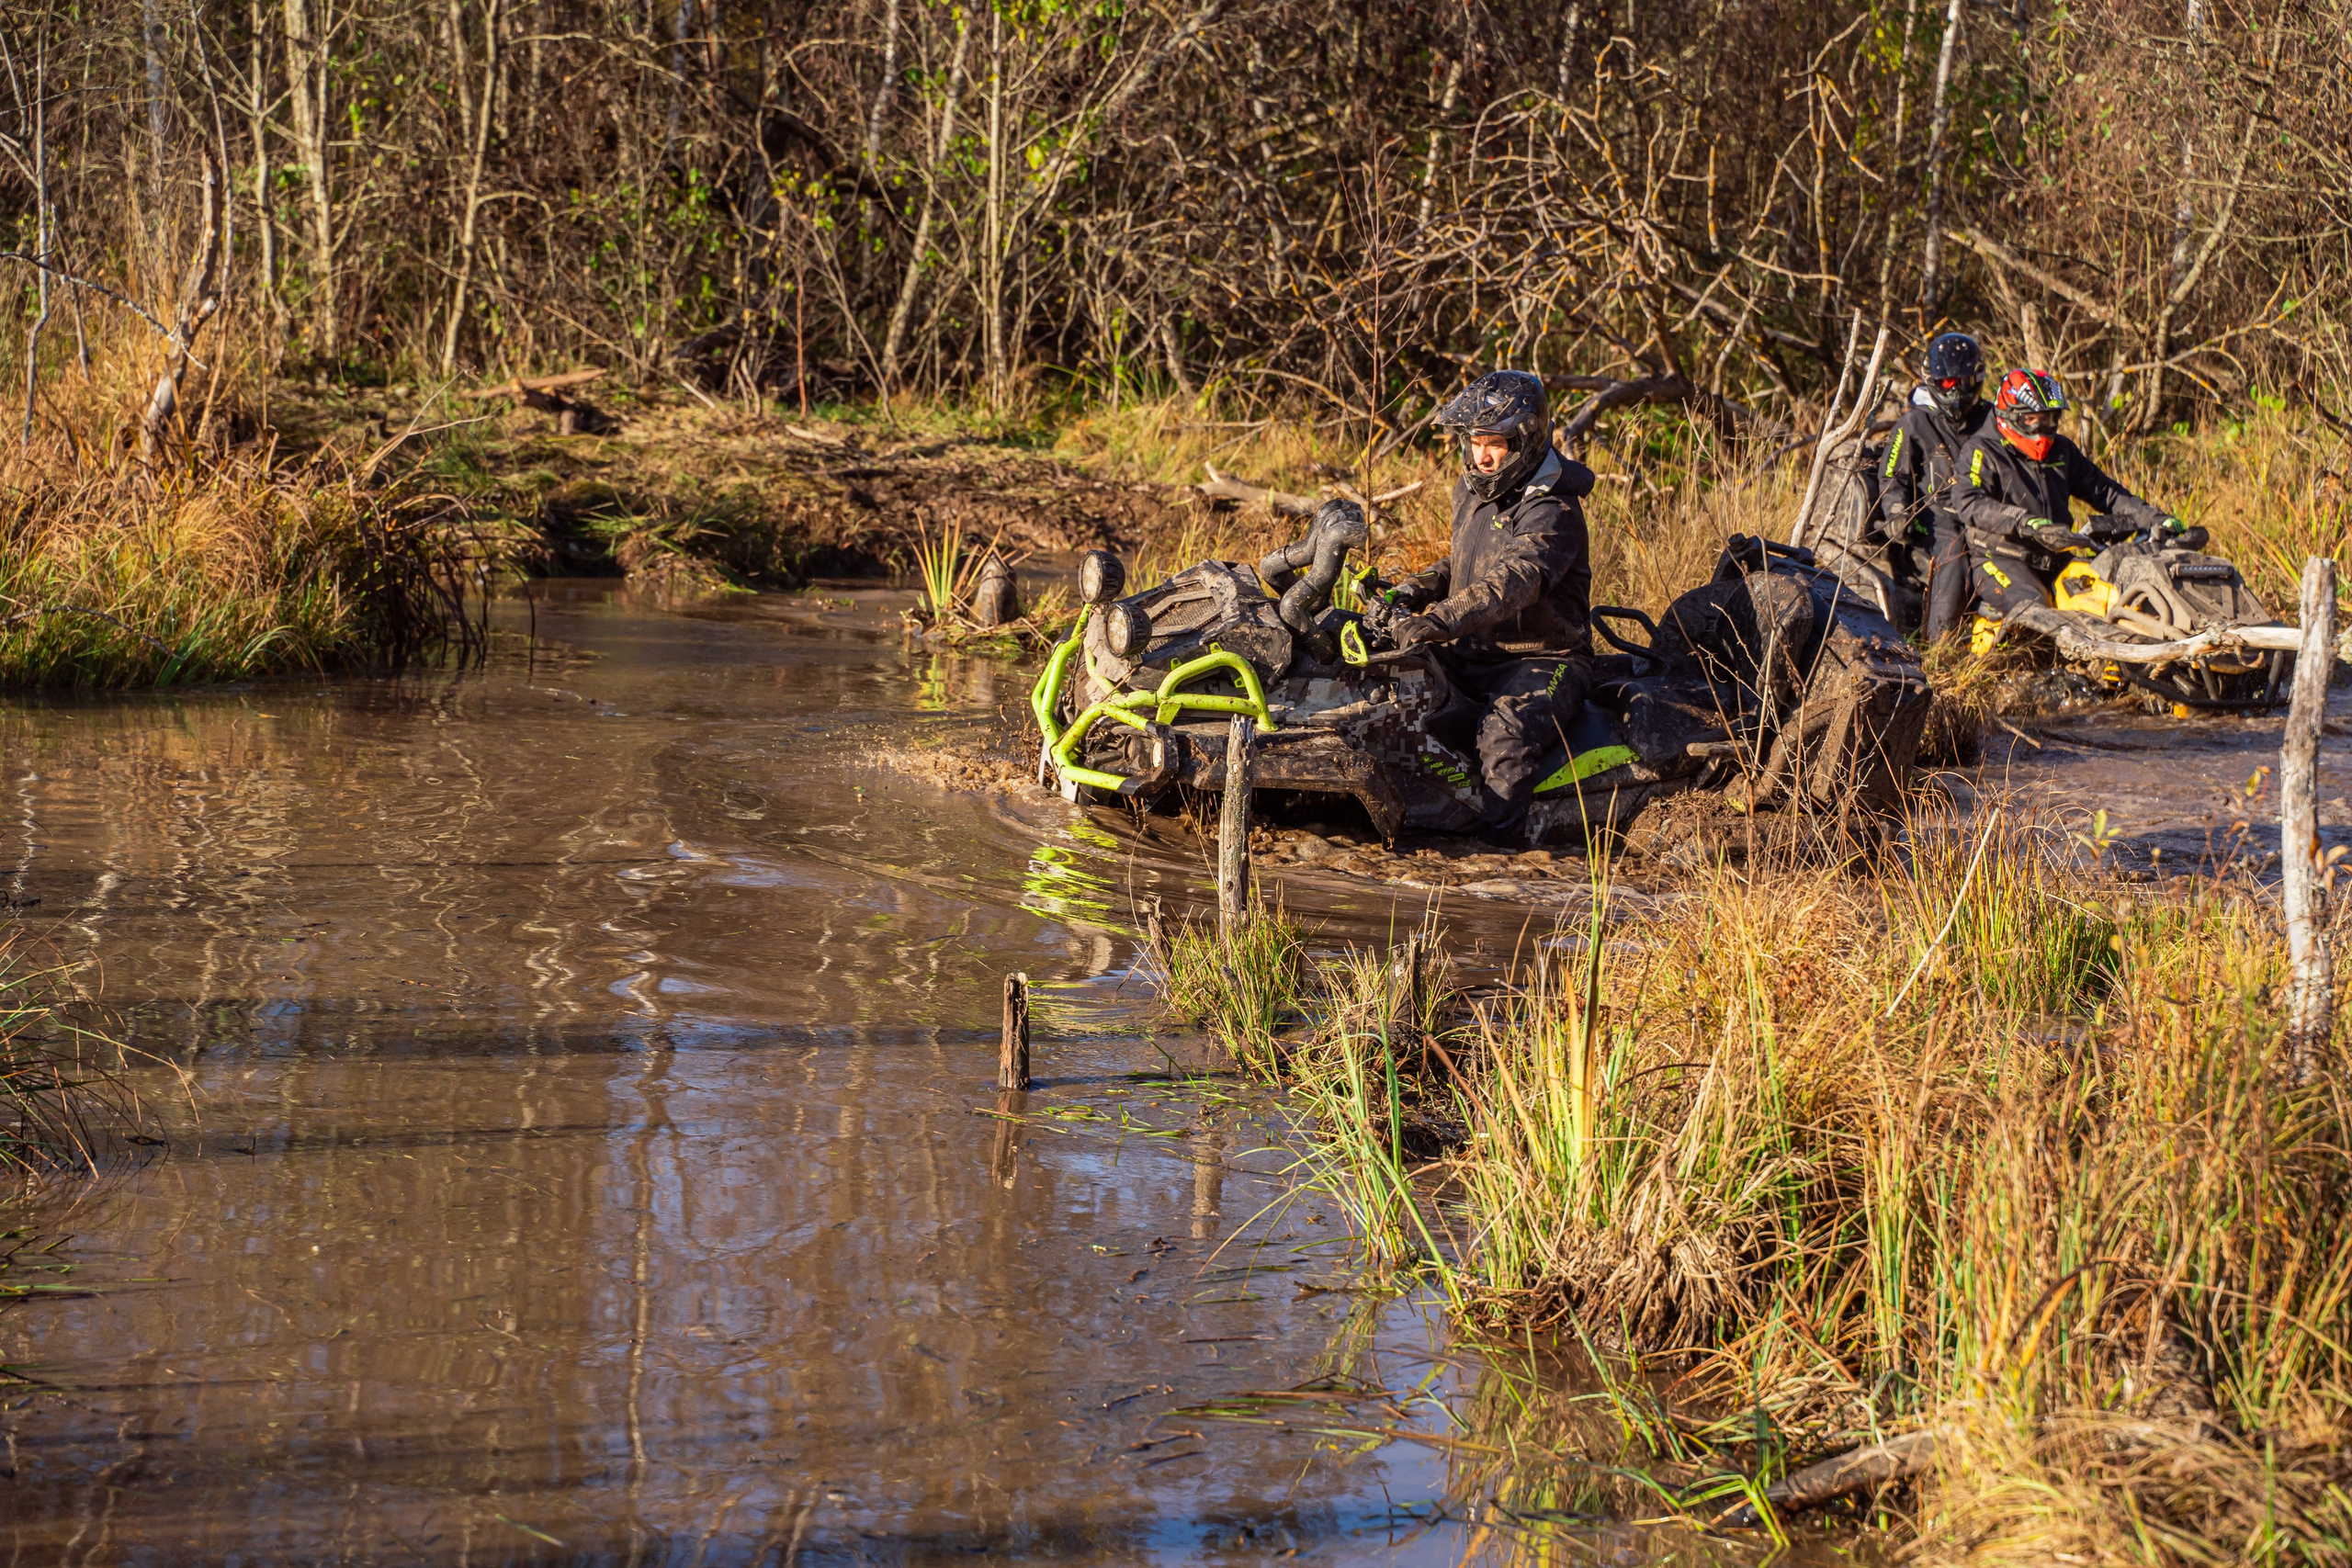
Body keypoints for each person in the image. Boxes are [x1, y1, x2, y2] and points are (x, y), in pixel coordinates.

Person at [1379, 369, 1597, 833]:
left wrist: (1441, 617)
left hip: (1544, 659)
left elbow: (1515, 579)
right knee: (1384, 686)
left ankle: (1498, 857)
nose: (1482, 456)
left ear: (1524, 439)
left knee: (1504, 735)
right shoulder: (1473, 490)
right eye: (1475, 441)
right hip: (1470, 650)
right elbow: (1463, 561)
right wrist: (1415, 588)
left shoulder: (1553, 509)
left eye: (1494, 443)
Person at [1952, 368, 2200, 619]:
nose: (2041, 428)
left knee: (2113, 597)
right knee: (2037, 614)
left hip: (2057, 557)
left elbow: (2106, 493)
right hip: (2000, 558)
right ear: (2009, 415)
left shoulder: (2062, 451)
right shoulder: (1980, 450)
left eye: (2049, 419)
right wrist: (2024, 522)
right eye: (2032, 419)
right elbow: (1970, 501)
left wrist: (2154, 518)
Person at [1879, 332, 1992, 641]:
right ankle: (1940, 648)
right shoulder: (1915, 423)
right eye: (1946, 383)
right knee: (1955, 551)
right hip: (1936, 518)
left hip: (1988, 512)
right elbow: (1892, 476)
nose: (1955, 390)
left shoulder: (1994, 420)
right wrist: (1897, 512)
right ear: (1932, 381)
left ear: (1977, 379)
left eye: (1963, 382)